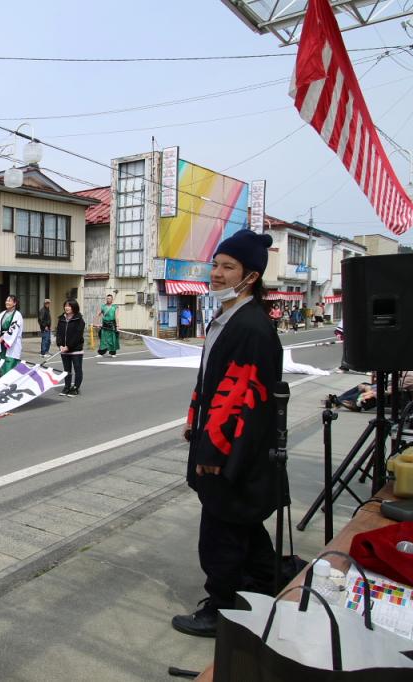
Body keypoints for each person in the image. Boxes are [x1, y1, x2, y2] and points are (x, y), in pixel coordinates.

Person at [172, 229, 282, 638]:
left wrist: (214, 452)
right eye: (215, 264)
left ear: (250, 276)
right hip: (217, 440)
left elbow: (240, 398)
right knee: (242, 525)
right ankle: (267, 585)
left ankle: (221, 608)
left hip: (230, 452)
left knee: (219, 532)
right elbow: (211, 383)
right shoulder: (227, 317)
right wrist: (193, 420)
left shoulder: (250, 326)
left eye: (227, 267)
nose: (215, 273)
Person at [55, 299, 85, 396]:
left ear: (74, 307)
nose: (67, 308)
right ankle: (67, 387)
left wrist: (69, 346)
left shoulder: (79, 320)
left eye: (69, 306)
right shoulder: (61, 319)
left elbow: (77, 335)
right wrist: (60, 345)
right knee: (66, 369)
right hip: (64, 349)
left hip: (76, 350)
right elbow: (58, 333)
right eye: (65, 306)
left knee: (77, 369)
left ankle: (75, 387)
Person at [0, 295, 24, 376]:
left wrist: (4, 338)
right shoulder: (2, 314)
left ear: (15, 303)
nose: (7, 302)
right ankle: (1, 386)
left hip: (12, 343)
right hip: (1, 343)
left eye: (9, 301)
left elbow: (14, 329)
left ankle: (9, 387)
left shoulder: (17, 315)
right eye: (6, 300)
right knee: (1, 365)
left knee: (10, 366)